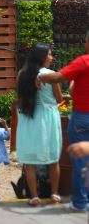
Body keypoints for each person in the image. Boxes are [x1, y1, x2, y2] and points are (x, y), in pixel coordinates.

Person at [37, 30, 89, 211]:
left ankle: (81, 203)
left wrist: (40, 76)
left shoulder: (83, 61)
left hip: (83, 117)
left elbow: (58, 77)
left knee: (81, 162)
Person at [16, 43, 63, 206]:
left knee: (30, 160)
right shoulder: (52, 75)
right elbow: (59, 100)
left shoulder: (22, 74)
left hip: (29, 118)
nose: (51, 57)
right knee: (53, 157)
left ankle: (34, 196)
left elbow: (20, 97)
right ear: (42, 57)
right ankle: (55, 194)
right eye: (49, 54)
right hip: (48, 118)